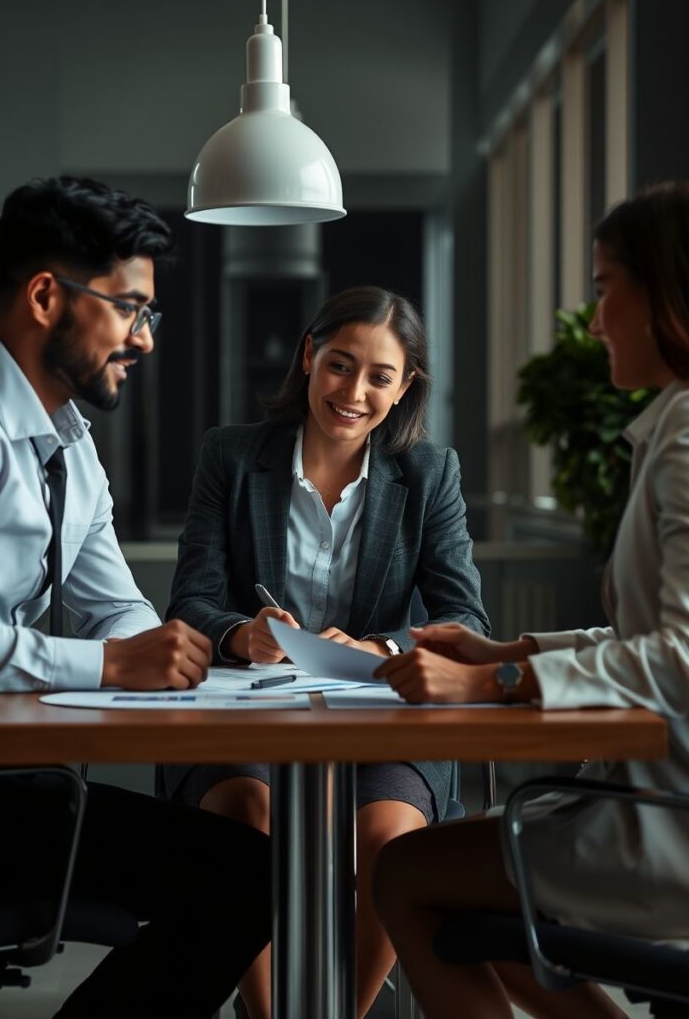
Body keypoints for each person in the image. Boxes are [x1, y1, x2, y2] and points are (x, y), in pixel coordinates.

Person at [370, 182, 689, 1019]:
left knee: (405, 875)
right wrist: (512, 654)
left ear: (670, 293)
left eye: (603, 288)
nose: (594, 321)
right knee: (453, 887)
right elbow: (678, 635)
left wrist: (486, 688)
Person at [0, 176, 270, 1018]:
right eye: (128, 308)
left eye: (150, 313)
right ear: (46, 296)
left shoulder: (66, 441)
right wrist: (119, 661)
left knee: (247, 867)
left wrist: (164, 654)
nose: (144, 338)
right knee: (244, 877)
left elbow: (116, 607)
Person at [166, 285, 490, 1019]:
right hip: (244, 717)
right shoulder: (232, 454)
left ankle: (341, 1011)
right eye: (340, 365)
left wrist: (379, 644)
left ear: (404, 386)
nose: (354, 392)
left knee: (387, 839)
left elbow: (464, 615)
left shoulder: (428, 474)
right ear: (309, 356)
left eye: (380, 376)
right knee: (245, 818)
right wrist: (239, 633)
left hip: (383, 718)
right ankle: (272, 1011)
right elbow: (190, 600)